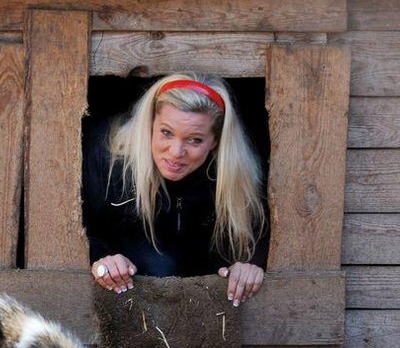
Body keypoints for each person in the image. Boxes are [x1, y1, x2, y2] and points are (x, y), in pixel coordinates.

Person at [82, 73, 268, 307]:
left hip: (202, 298)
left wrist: (249, 266)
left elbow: (257, 235)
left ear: (215, 141)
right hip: (133, 287)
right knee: (161, 264)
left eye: (195, 140)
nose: (175, 152)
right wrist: (100, 259)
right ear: (149, 123)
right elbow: (80, 226)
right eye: (166, 133)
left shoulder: (236, 174)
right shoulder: (109, 156)